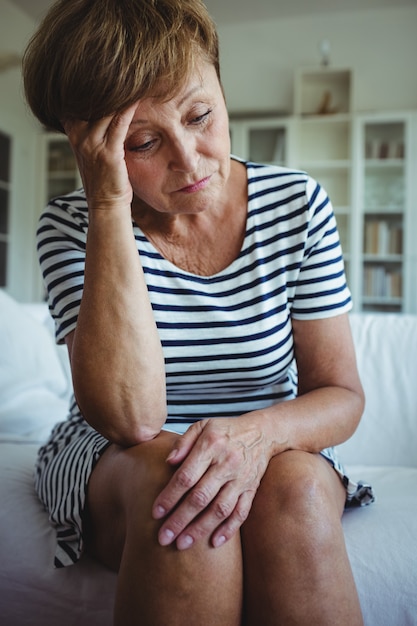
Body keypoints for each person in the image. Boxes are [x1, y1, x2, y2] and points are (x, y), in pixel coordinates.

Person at [23, 1, 374, 624]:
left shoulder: (297, 204)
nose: (189, 160)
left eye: (200, 114)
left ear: (220, 83)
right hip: (118, 457)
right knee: (174, 484)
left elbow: (341, 394)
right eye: (144, 142)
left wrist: (256, 435)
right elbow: (131, 420)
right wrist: (108, 204)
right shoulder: (72, 224)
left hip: (271, 443)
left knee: (294, 488)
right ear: (87, 144)